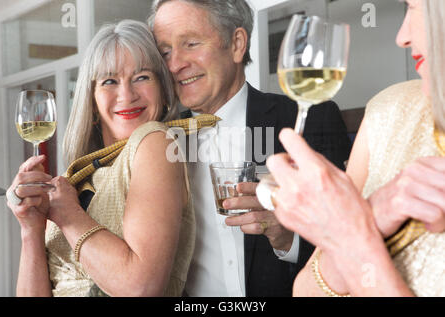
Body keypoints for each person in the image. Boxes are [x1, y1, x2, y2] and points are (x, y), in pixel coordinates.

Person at [149, 0, 351, 296]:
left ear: (237, 44)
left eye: (190, 44)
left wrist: (288, 238)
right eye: (164, 51)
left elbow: (349, 244)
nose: (174, 64)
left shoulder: (311, 120)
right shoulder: (157, 142)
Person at [5, 20, 195, 297]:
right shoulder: (77, 178)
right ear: (92, 104)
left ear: (164, 92)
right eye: (109, 81)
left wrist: (69, 216)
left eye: (142, 77)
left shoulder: (155, 141)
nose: (126, 95)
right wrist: (31, 228)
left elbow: (140, 288)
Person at [267, 0, 445, 296]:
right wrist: (369, 218)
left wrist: (352, 237)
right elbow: (305, 291)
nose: (402, 37)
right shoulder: (389, 111)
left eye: (415, 8)